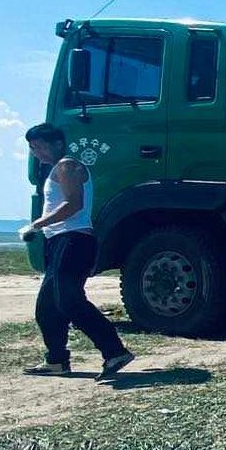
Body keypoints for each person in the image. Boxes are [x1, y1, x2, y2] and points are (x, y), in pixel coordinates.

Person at [18, 124, 135, 380]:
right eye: (32, 148)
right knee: (47, 307)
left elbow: (73, 204)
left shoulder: (67, 166)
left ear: (58, 143)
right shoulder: (57, 169)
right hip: (60, 241)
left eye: (38, 147)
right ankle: (56, 360)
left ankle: (115, 351)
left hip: (73, 241)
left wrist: (37, 224)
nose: (35, 153)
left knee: (69, 301)